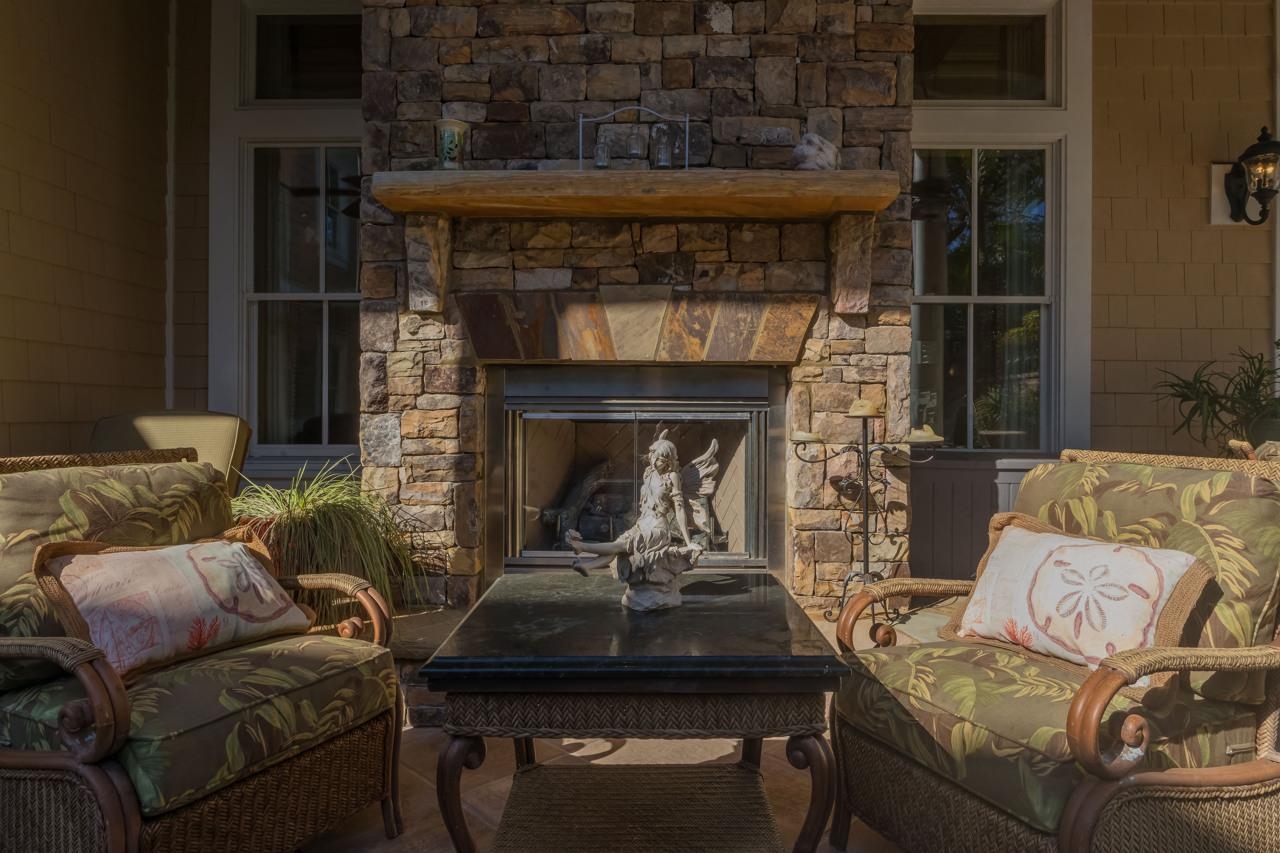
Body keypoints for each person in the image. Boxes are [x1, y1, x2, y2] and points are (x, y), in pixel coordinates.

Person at [566, 432, 703, 610]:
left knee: (621, 545)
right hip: (642, 523)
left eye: (660, 459)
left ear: (668, 461)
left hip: (657, 528)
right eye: (653, 456)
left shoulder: (672, 477)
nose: (654, 461)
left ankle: (582, 547)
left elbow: (680, 510)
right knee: (619, 546)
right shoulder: (649, 474)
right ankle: (588, 566)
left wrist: (688, 541)